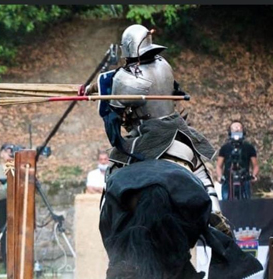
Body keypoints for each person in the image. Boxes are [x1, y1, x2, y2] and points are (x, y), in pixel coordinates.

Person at [86, 24, 233, 237]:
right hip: (175, 126)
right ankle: (215, 212)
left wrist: (99, 93)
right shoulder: (164, 65)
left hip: (148, 133)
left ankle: (109, 220)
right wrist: (91, 88)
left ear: (127, 48)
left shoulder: (124, 77)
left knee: (115, 167)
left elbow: (115, 112)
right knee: (198, 165)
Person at [216, 121, 259, 200]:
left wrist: (254, 175)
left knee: (246, 201)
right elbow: (219, 165)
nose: (236, 129)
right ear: (230, 131)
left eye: (239, 127)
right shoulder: (225, 147)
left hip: (244, 179)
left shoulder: (249, 147)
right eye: (234, 127)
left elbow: (255, 165)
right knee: (226, 201)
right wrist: (219, 176)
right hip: (228, 179)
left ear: (243, 130)